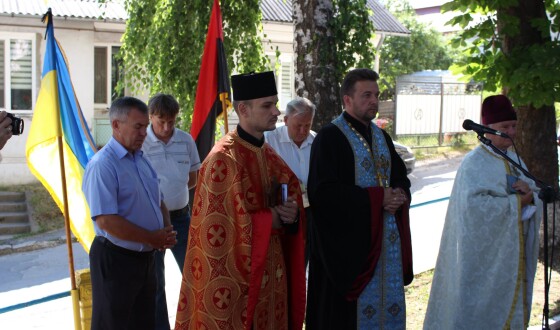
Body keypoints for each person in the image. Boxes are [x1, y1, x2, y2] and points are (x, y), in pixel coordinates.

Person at [174, 71, 307, 330]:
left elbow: (290, 198)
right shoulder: (222, 160)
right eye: (267, 105)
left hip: (273, 277)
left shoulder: (268, 154)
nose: (276, 112)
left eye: (275, 103)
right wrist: (273, 218)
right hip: (238, 284)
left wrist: (292, 214)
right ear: (243, 109)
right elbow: (219, 236)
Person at [305, 68, 413, 330]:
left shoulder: (381, 137)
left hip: (385, 248)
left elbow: (401, 177)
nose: (374, 101)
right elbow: (323, 194)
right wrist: (377, 198)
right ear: (347, 100)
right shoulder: (330, 138)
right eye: (366, 95)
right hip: (347, 255)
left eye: (376, 95)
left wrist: (398, 194)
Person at [423, 95, 542, 329]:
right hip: (481, 260)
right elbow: (473, 209)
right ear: (487, 129)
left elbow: (535, 189)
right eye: (504, 127)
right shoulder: (474, 163)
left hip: (510, 254)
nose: (511, 131)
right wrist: (517, 203)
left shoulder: (515, 159)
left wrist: (530, 193)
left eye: (514, 126)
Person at [82, 96, 177, 330]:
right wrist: (152, 238)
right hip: (116, 260)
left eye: (145, 126)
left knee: (143, 323)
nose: (145, 132)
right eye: (138, 127)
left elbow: (158, 200)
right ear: (116, 125)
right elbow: (106, 221)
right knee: (113, 324)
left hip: (145, 259)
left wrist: (166, 229)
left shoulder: (140, 159)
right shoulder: (103, 165)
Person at [141, 93, 201, 330]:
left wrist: (172, 192)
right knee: (156, 283)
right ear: (151, 117)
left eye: (171, 122)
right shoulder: (140, 142)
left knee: (195, 276)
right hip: (151, 222)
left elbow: (193, 178)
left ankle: (196, 324)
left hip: (182, 218)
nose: (166, 128)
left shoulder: (186, 141)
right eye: (160, 121)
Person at [264, 97, 316, 263]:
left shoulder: (316, 141)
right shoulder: (269, 140)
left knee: (306, 262)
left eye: (307, 125)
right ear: (286, 120)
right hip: (283, 212)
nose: (302, 131)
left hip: (310, 212)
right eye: (298, 125)